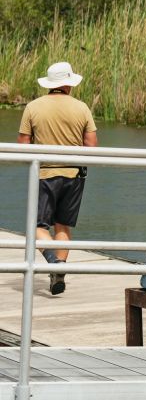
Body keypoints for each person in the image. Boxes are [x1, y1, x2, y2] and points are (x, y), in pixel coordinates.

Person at [17, 61, 98, 295]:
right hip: (74, 174)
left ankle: (52, 261)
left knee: (37, 225)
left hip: (44, 173)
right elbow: (91, 145)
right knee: (63, 226)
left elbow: (23, 145)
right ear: (68, 84)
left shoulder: (33, 107)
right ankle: (58, 271)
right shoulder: (81, 107)